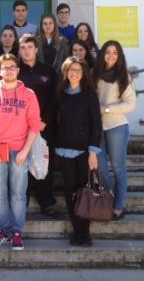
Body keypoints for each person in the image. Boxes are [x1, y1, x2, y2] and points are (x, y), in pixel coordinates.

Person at [0, 53, 40, 251]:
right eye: (4, 67)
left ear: (17, 69)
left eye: (12, 67)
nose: (8, 71)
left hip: (19, 151)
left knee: (18, 195)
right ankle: (2, 230)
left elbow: (34, 125)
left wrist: (26, 150)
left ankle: (16, 232)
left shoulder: (29, 95)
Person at [55, 56, 102, 247]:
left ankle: (85, 233)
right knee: (69, 192)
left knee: (84, 192)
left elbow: (96, 125)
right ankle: (77, 231)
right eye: (71, 70)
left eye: (78, 70)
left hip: (84, 151)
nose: (74, 73)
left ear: (84, 73)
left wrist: (93, 152)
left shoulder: (89, 94)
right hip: (64, 150)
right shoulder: (60, 94)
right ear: (66, 72)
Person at [93, 41, 136, 219]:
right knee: (101, 169)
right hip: (97, 128)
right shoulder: (93, 73)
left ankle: (119, 205)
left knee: (118, 167)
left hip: (117, 126)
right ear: (102, 54)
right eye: (108, 52)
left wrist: (107, 109)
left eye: (115, 53)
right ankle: (109, 199)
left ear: (119, 56)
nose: (111, 55)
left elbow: (131, 104)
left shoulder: (123, 76)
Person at [18, 35, 59, 218]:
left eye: (29, 47)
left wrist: (45, 120)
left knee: (45, 165)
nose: (26, 51)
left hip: (44, 127)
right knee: (22, 166)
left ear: (36, 49)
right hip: (20, 129)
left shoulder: (48, 71)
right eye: (23, 47)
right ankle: (22, 202)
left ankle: (46, 202)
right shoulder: (16, 72)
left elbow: (55, 98)